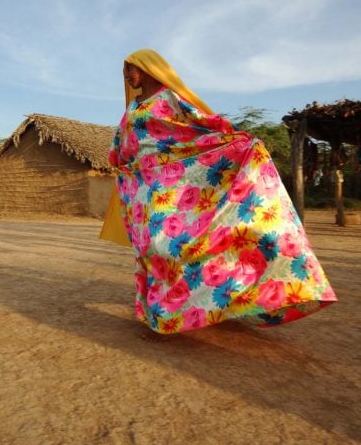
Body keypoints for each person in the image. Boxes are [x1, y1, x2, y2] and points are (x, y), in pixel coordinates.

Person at [100, 49, 336, 339]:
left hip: (175, 182)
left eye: (131, 69)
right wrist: (120, 165)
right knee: (152, 248)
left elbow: (200, 124)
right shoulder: (133, 107)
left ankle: (224, 297)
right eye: (124, 72)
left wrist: (235, 140)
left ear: (148, 69)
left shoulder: (168, 99)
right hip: (144, 190)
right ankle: (161, 310)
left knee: (176, 244)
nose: (127, 76)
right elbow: (122, 143)